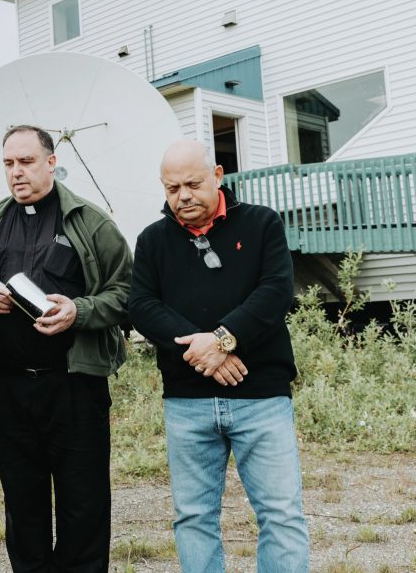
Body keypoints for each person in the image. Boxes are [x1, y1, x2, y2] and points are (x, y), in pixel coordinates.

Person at [0, 125, 132, 572]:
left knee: (83, 507)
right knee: (23, 506)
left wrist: (80, 310)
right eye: (9, 164)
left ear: (51, 162)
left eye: (26, 162)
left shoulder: (91, 224)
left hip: (74, 389)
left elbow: (128, 292)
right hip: (8, 392)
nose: (17, 172)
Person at [128, 140, 310, 572]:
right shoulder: (152, 241)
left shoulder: (261, 224)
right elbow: (142, 307)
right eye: (172, 188)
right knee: (194, 518)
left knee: (281, 516)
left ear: (218, 175)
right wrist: (203, 346)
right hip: (186, 402)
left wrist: (224, 338)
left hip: (262, 397)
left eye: (192, 183)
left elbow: (275, 292)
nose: (183, 196)